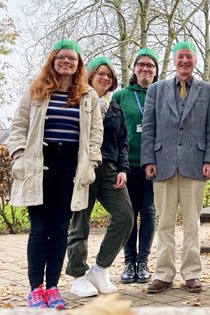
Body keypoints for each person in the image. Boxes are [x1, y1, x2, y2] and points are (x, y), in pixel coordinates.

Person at [7, 39, 103, 309]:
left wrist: (92, 163)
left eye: (72, 59)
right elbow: (18, 126)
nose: (66, 62)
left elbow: (96, 134)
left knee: (61, 229)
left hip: (70, 169)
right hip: (40, 166)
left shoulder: (88, 96)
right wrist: (18, 155)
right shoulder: (36, 91)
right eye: (61, 57)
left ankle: (53, 288)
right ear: (53, 61)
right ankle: (35, 289)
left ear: (78, 64)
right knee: (39, 229)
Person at [141, 41, 210, 294]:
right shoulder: (156, 89)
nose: (185, 61)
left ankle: (192, 273)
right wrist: (148, 160)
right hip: (162, 163)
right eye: (180, 57)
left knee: (192, 223)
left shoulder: (208, 90)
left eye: (189, 57)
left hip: (195, 164)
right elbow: (149, 127)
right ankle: (163, 273)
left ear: (195, 61)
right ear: (174, 61)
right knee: (164, 222)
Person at [66, 56, 134, 297]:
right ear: (91, 75)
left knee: (126, 217)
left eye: (110, 75)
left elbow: (123, 142)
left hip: (109, 170)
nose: (105, 78)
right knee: (79, 223)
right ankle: (78, 275)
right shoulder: (77, 101)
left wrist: (123, 169)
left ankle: (100, 268)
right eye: (101, 73)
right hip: (82, 168)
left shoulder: (116, 108)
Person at [112, 48, 160, 284]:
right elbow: (113, 132)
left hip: (153, 165)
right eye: (141, 65)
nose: (145, 69)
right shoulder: (121, 96)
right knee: (129, 215)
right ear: (134, 69)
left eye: (150, 65)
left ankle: (143, 262)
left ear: (156, 70)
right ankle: (129, 262)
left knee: (149, 213)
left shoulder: (161, 93)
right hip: (127, 166)